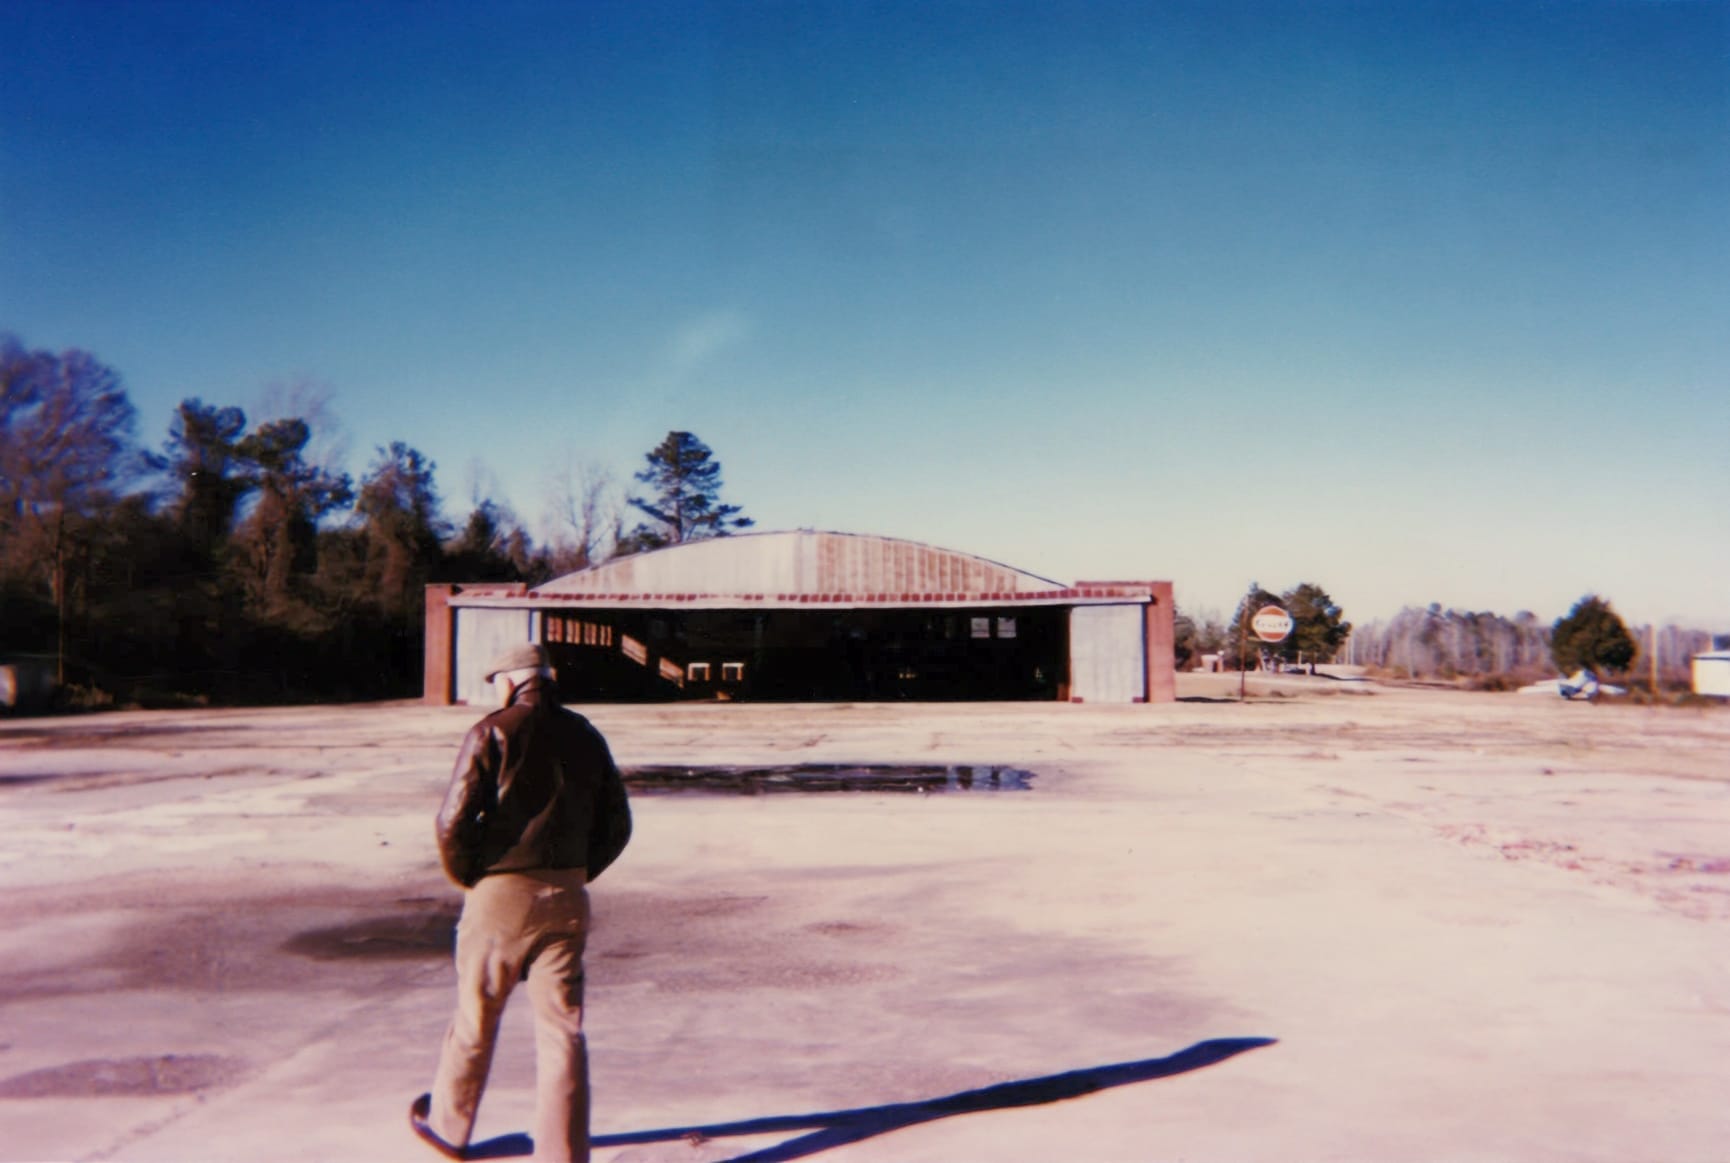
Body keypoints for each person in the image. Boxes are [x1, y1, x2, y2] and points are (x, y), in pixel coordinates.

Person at [410, 642, 632, 1163]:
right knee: (563, 1029)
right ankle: (562, 1153)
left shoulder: (491, 731)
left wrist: (473, 878)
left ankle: (448, 1130)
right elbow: (619, 823)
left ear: (510, 683)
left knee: (477, 1014)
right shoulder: (586, 734)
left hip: (502, 894)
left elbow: (451, 821)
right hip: (568, 894)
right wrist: (577, 872)